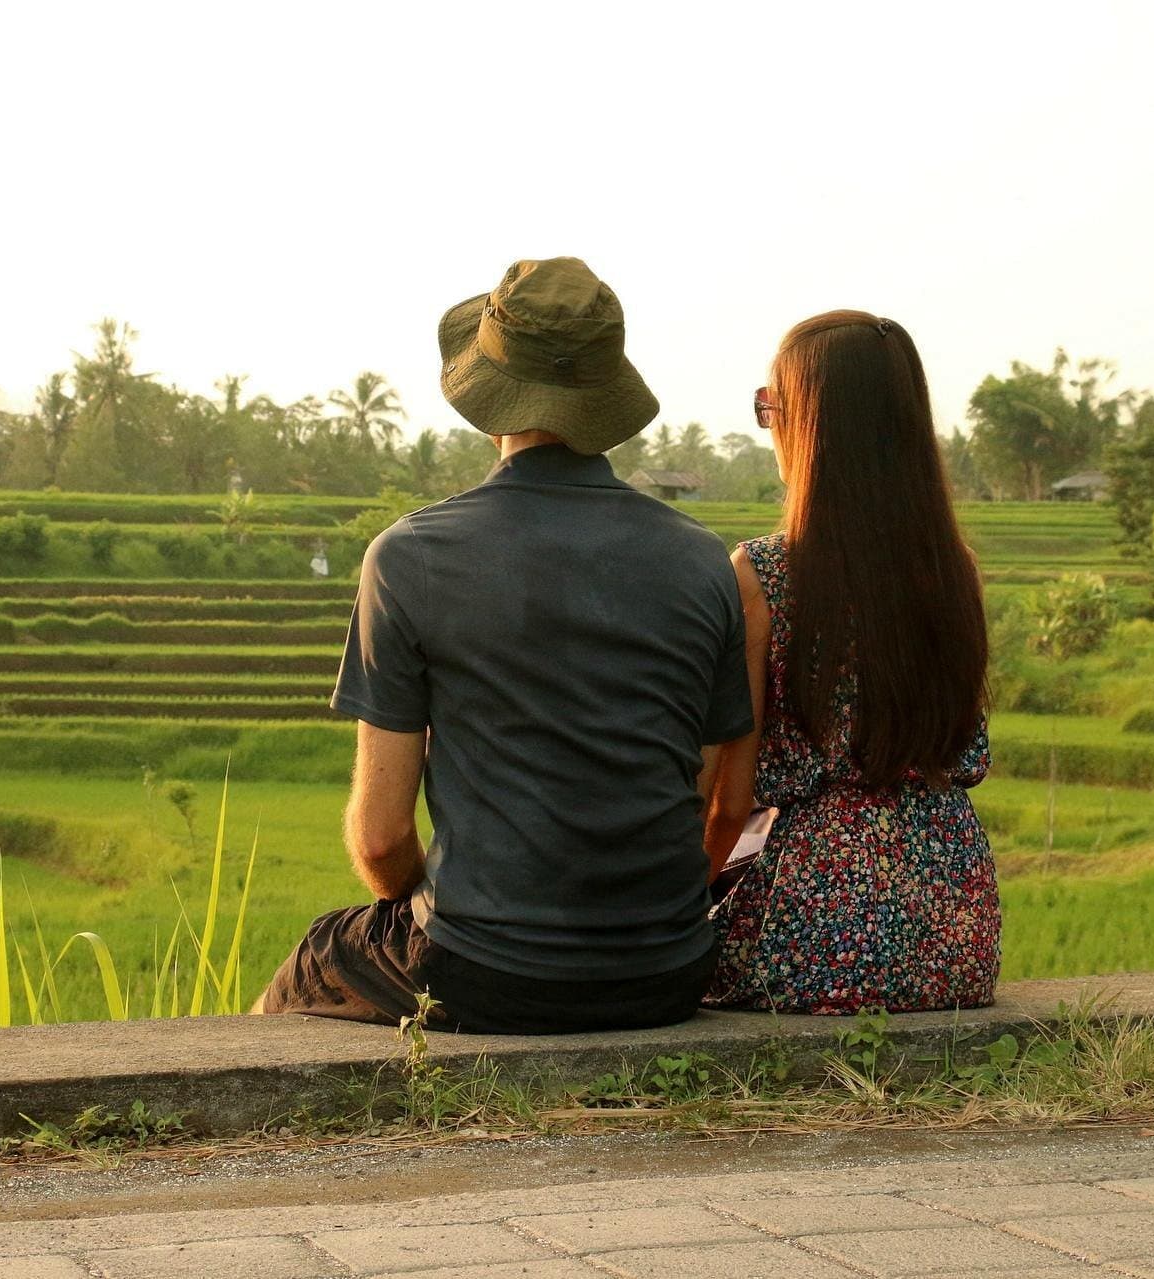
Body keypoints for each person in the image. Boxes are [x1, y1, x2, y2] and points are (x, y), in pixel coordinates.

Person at [257, 257, 753, 1034]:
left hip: (484, 971)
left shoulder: (410, 555)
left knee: (321, 952)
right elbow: (703, 786)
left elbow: (382, 838)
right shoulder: (702, 560)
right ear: (607, 392)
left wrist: (466, 912)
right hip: (668, 970)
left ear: (492, 393)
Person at [703, 310, 1000, 1014]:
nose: (768, 425)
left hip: (810, 924)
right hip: (957, 933)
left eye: (770, 406)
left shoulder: (762, 574)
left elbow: (729, 800)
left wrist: (680, 906)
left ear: (809, 425)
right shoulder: (956, 568)